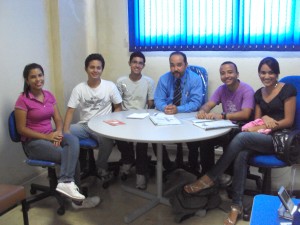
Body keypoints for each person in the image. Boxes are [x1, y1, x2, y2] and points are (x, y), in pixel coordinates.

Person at [184, 57, 297, 225]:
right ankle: (236, 206)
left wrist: (271, 124)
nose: (266, 76)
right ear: (259, 74)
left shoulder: (288, 89)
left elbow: (289, 120)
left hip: (281, 139)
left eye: (270, 72)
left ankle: (210, 177)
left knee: (242, 137)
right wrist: (264, 120)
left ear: (277, 73)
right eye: (263, 72)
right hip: (262, 136)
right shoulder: (259, 93)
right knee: (241, 154)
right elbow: (256, 121)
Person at [15, 63, 100, 209]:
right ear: (27, 80)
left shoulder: (48, 95)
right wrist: (47, 137)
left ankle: (66, 183)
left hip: (52, 135)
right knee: (69, 157)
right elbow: (21, 129)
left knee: (72, 140)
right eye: (33, 77)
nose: (38, 79)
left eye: (40, 75)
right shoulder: (22, 100)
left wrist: (59, 132)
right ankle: (77, 200)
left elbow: (58, 119)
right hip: (34, 143)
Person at [187, 61, 255, 182]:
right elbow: (208, 105)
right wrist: (203, 111)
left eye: (230, 72)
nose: (226, 76)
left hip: (242, 129)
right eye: (223, 73)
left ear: (237, 74)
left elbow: (246, 114)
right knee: (205, 139)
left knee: (230, 140)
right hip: (226, 127)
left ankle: (229, 177)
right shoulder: (221, 89)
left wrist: (222, 116)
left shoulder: (247, 89)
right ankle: (207, 175)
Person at [63, 53, 122, 181]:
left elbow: (118, 106)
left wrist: (114, 123)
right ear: (86, 69)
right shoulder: (79, 88)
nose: (95, 70)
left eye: (98, 68)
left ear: (102, 69)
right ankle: (71, 171)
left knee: (107, 140)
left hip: (103, 126)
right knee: (61, 134)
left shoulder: (109, 86)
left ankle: (101, 167)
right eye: (92, 67)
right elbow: (70, 110)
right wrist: (66, 131)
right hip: (85, 125)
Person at [154, 51, 203, 171]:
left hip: (187, 117)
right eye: (172, 65)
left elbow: (196, 103)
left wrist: (178, 109)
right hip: (167, 116)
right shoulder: (164, 78)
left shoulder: (195, 79)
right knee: (153, 137)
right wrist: (165, 107)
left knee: (194, 139)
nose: (175, 69)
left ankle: (193, 166)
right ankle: (167, 165)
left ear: (186, 65)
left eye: (179, 65)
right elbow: (158, 99)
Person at [115, 51, 155, 189]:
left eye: (140, 63)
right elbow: (117, 103)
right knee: (117, 136)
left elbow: (150, 103)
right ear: (129, 63)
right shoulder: (121, 81)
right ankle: (128, 159)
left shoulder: (149, 81)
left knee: (141, 144)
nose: (137, 65)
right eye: (134, 62)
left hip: (142, 117)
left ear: (143, 65)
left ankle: (140, 173)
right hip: (124, 116)